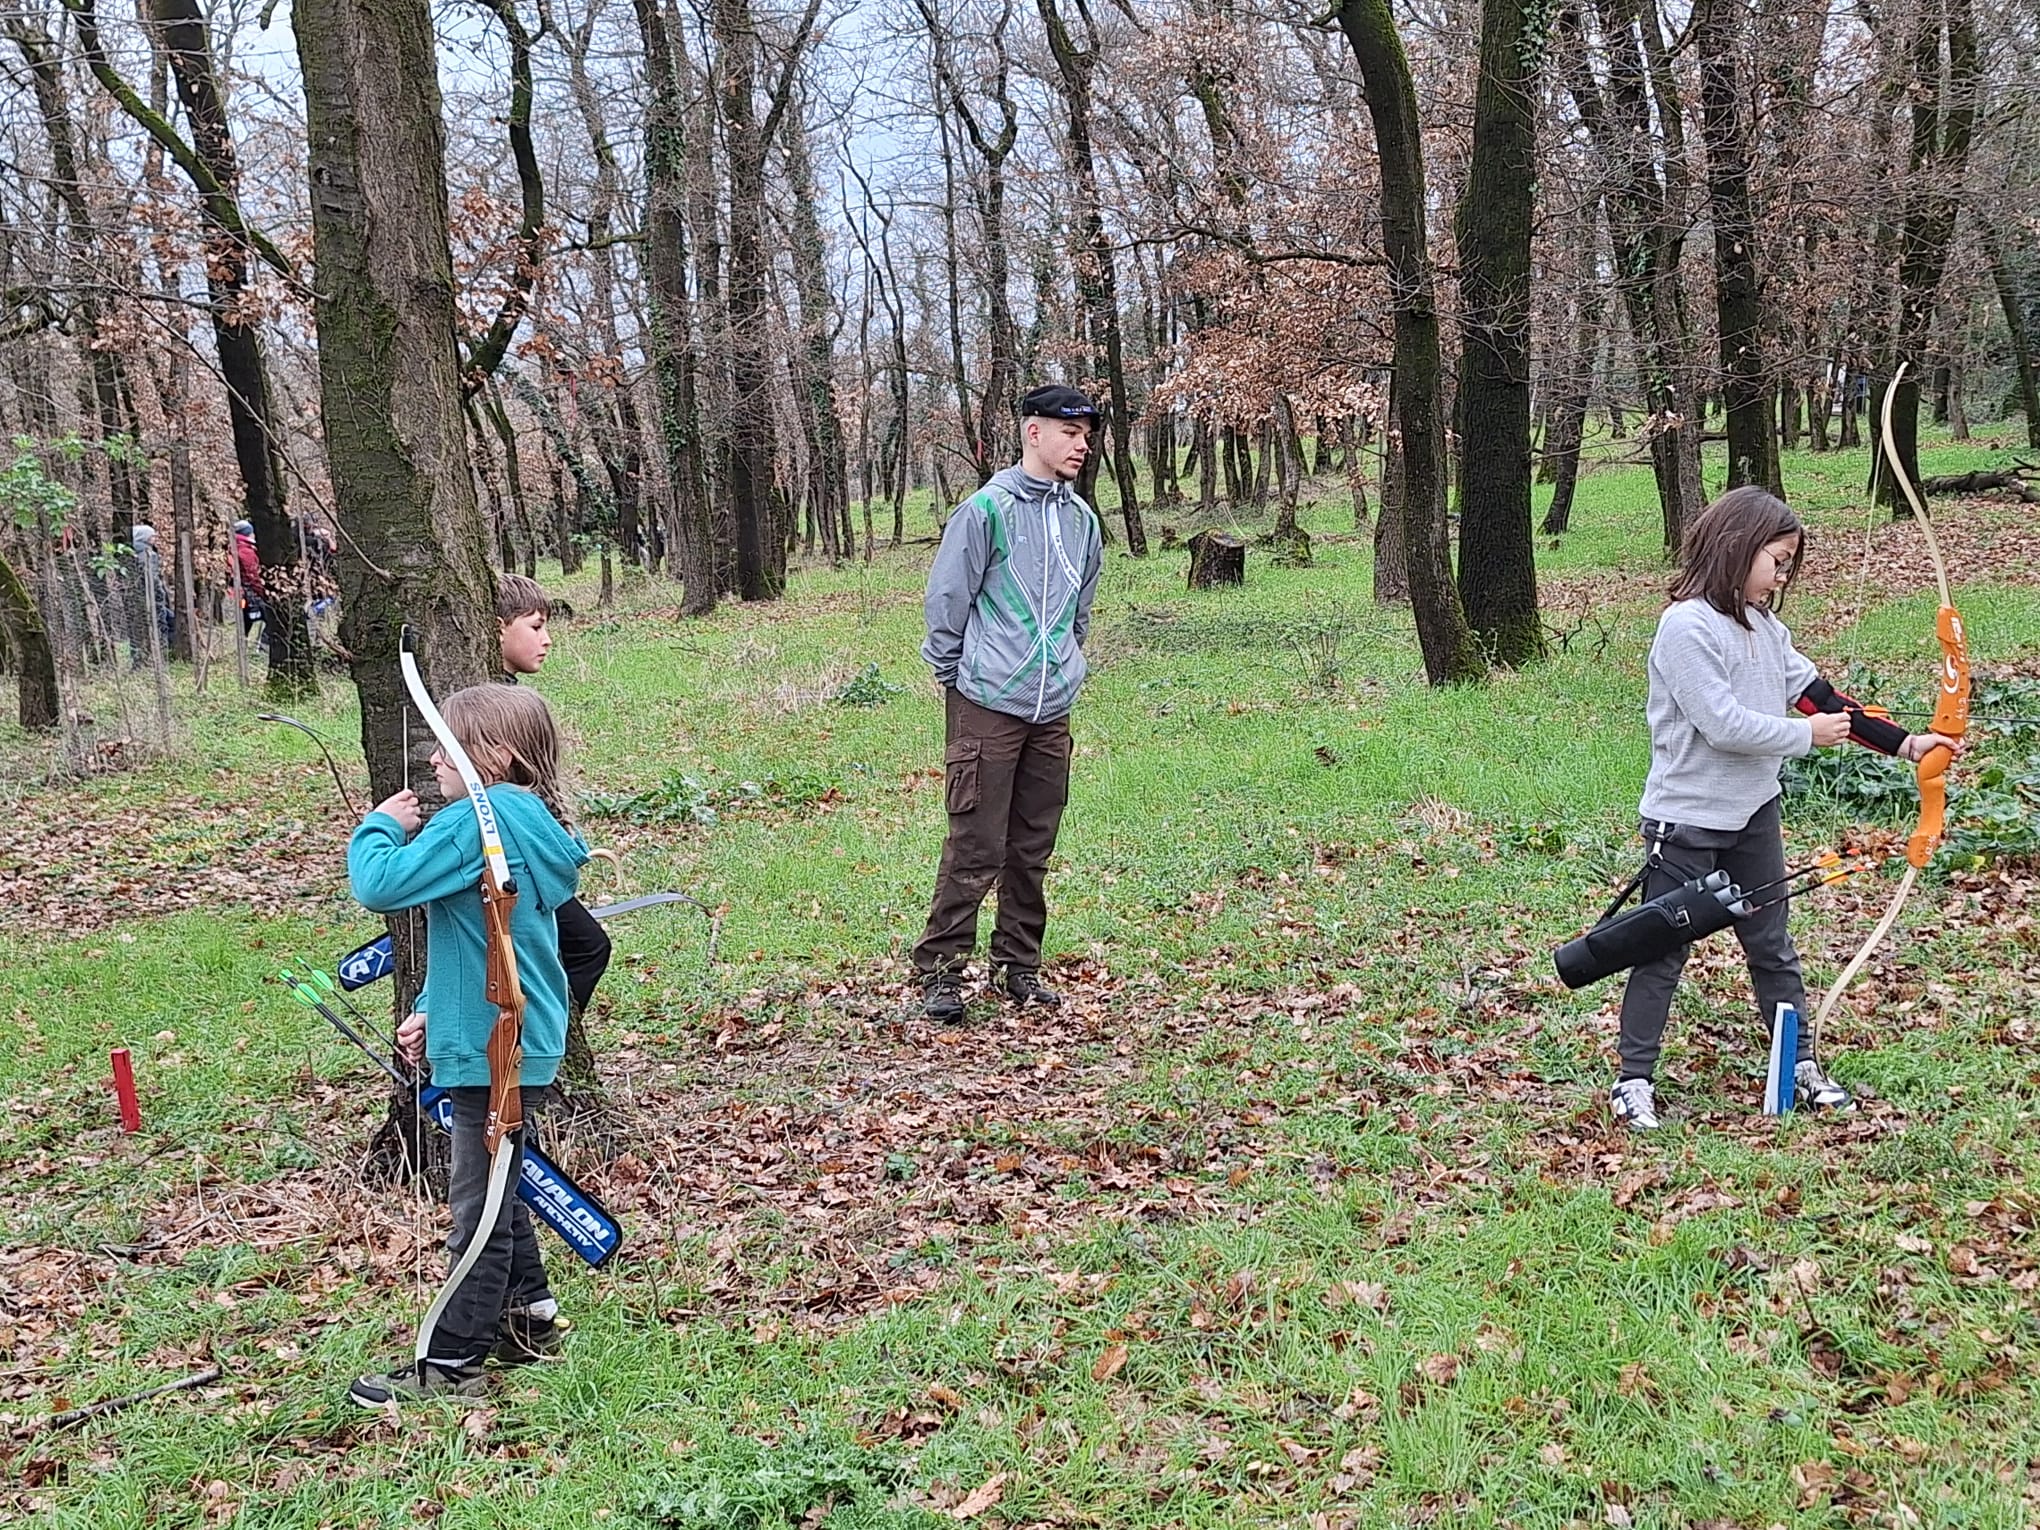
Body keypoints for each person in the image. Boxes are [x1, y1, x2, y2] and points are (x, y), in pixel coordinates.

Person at [1610, 487, 1964, 1131]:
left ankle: (1798, 1066)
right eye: (1776, 559)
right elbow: (1722, 723)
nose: (1782, 574)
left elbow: (1817, 695)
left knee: (1772, 947)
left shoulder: (1765, 627)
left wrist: (1907, 744)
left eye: (1787, 562)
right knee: (1662, 951)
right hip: (1686, 820)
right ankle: (1633, 1081)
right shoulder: (1685, 627)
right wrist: (1807, 736)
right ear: (1736, 549)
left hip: (1754, 815)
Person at [345, 685, 590, 1403]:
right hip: (492, 1036)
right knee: (498, 1192)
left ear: (494, 756)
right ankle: (529, 1317)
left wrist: (378, 828)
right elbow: (490, 936)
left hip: (498, 1047)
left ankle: (450, 1365)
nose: (433, 757)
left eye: (448, 745)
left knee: (477, 1206)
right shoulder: (520, 819)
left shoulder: (478, 819)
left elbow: (381, 885)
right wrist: (429, 1009)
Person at [912, 383, 1104, 1022]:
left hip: (1052, 709)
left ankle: (1018, 966)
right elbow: (947, 603)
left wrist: (1063, 668)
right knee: (977, 843)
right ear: (1033, 432)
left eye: (1086, 435)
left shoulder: (1083, 521)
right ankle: (940, 972)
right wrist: (958, 681)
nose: (1080, 445)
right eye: (1068, 433)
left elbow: (1078, 614)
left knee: (1032, 845)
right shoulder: (985, 512)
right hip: (986, 704)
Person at [494, 574, 609, 1013]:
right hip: (513, 867)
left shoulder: (509, 697)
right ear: (498, 626)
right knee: (588, 946)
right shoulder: (491, 708)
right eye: (536, 626)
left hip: (524, 862)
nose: (547, 639)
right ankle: (546, 1041)